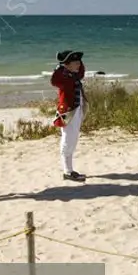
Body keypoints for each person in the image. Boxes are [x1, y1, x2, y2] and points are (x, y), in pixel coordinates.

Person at [51, 50, 87, 182]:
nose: (79, 64)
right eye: (75, 62)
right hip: (67, 112)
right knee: (68, 140)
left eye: (79, 61)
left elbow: (81, 71)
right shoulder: (62, 76)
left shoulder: (74, 74)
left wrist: (78, 61)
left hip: (76, 110)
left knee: (73, 139)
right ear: (66, 64)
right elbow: (54, 80)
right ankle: (67, 171)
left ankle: (69, 169)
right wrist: (61, 66)